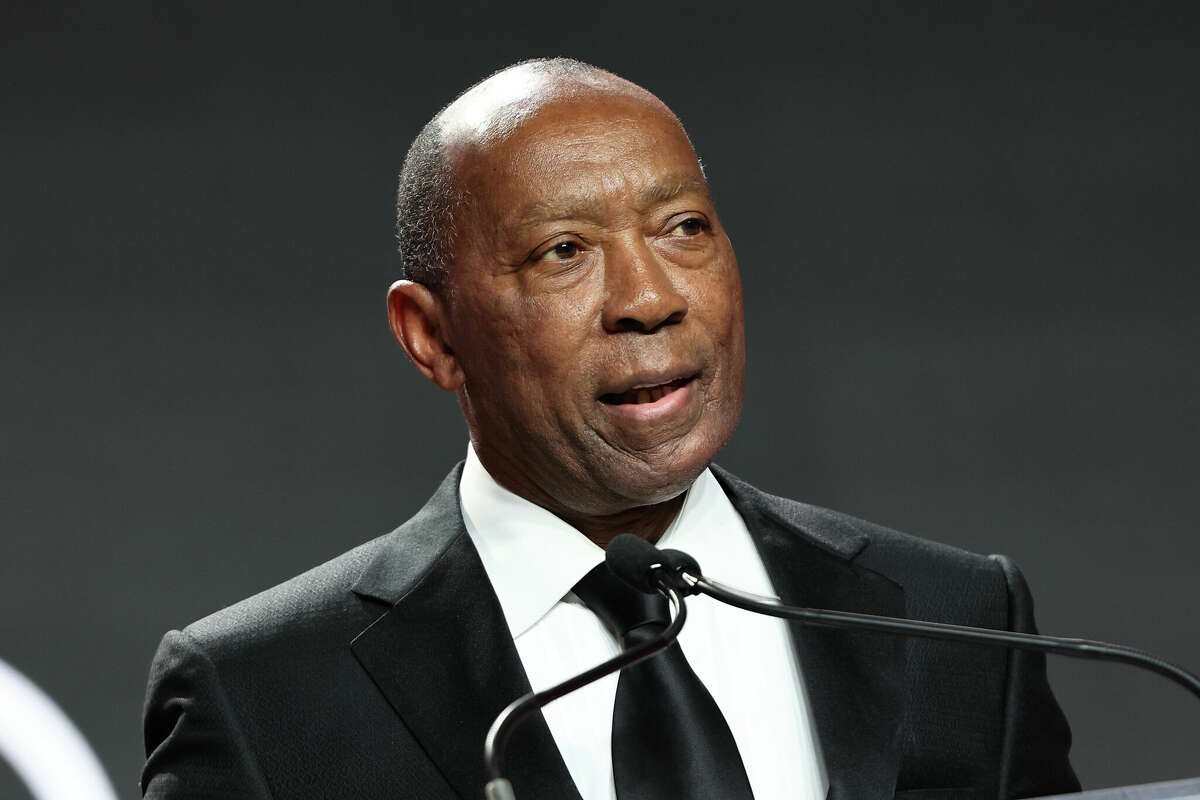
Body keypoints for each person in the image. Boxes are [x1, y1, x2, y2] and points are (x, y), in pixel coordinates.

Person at [141, 58, 1080, 799]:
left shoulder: (958, 625)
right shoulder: (267, 696)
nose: (649, 298)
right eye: (564, 252)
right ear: (432, 337)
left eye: (683, 228)